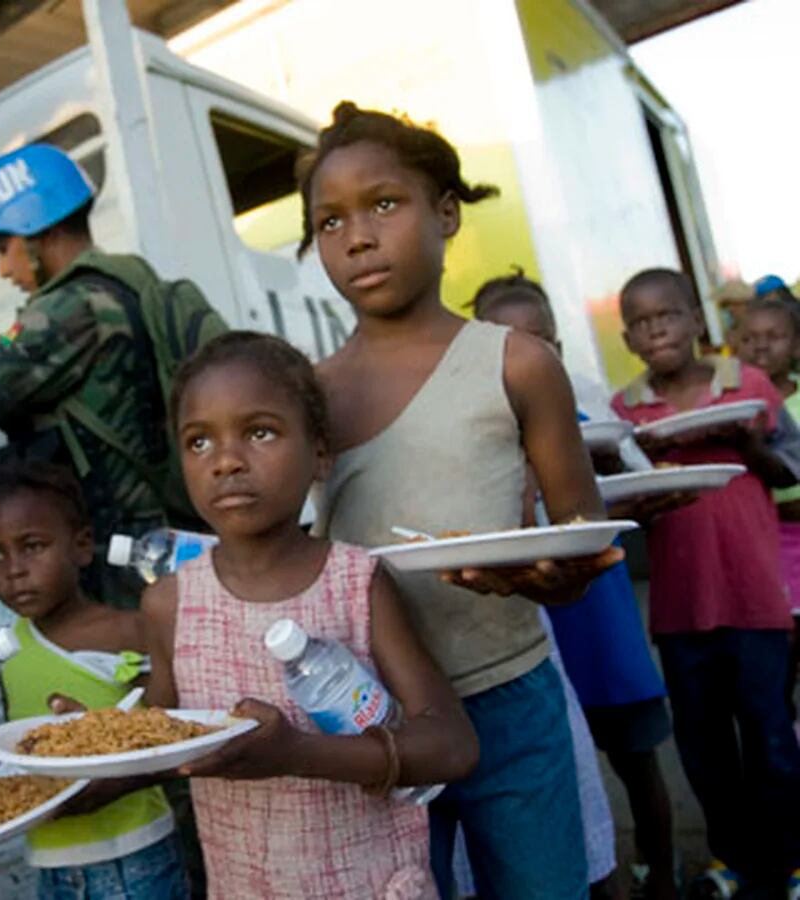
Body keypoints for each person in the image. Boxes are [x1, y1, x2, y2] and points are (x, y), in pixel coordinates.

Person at [305, 101, 621, 900]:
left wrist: (553, 576)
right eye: (330, 221)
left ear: (445, 213)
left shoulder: (516, 363)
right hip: (376, 714)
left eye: (383, 204)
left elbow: (584, 537)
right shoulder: (309, 396)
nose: (359, 237)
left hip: (509, 691)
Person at [117, 330, 476, 898]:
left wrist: (299, 754)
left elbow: (452, 746)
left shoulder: (356, 582)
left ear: (320, 454)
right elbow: (159, 748)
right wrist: (83, 746)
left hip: (374, 883)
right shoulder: (168, 604)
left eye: (260, 432)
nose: (227, 461)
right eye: (199, 442)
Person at [0, 143, 226, 612]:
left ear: (35, 230)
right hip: (172, 532)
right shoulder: (125, 282)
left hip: (121, 560)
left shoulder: (67, 308)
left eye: (4, 247)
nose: (3, 268)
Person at [473, 272, 677, 900]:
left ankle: (664, 872)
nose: (529, 358)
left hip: (604, 628)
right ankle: (596, 876)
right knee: (568, 775)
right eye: (504, 346)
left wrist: (614, 465)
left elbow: (645, 488)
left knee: (638, 760)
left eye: (542, 342)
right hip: (536, 643)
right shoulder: (480, 443)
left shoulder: (591, 422)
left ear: (558, 349)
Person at [611, 268, 800, 899]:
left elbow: (786, 471)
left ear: (697, 320)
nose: (656, 328)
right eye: (640, 322)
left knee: (772, 740)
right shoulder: (625, 412)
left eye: (667, 315)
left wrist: (751, 446)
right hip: (680, 610)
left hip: (755, 602)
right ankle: (733, 860)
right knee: (705, 751)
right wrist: (635, 505)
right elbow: (619, 505)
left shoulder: (746, 387)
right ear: (628, 339)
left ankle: (787, 862)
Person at [0, 459, 189, 898]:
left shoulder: (128, 629)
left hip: (134, 854)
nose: (14, 569)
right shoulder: (3, 651)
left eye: (32, 546)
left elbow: (167, 729)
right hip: (52, 861)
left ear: (82, 545)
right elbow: (22, 743)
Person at [736, 295, 800, 717]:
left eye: (774, 337)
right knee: (782, 645)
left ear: (796, 345)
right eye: (750, 338)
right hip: (766, 540)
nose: (761, 347)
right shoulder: (736, 406)